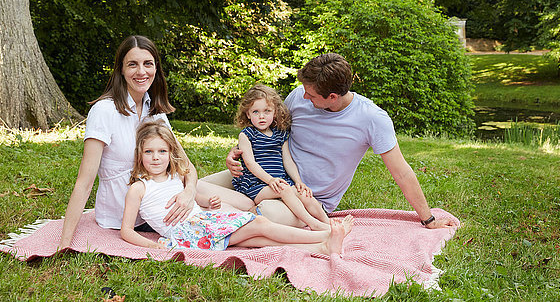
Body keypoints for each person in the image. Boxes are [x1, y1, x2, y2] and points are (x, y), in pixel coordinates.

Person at [217, 53, 455, 229]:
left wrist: (429, 219)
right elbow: (267, 131)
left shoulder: (372, 119)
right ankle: (219, 209)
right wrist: (236, 152)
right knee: (198, 186)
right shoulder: (299, 96)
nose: (304, 96)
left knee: (266, 213)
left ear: (331, 97)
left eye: (310, 94)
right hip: (262, 176)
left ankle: (226, 211)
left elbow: (401, 172)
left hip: (309, 200)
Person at [58, 35, 251, 250]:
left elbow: (186, 167)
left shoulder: (156, 114)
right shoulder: (104, 111)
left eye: (147, 64)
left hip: (167, 191)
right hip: (137, 213)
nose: (141, 72)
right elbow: (84, 183)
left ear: (156, 69)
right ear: (121, 69)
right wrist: (64, 243)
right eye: (133, 64)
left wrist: (188, 194)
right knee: (238, 220)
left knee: (246, 204)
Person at [121, 120, 354, 255]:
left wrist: (207, 203)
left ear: (171, 154)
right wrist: (154, 247)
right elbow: (127, 231)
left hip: (203, 221)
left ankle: (322, 247)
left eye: (162, 151)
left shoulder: (175, 178)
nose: (155, 157)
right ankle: (324, 233)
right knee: (259, 224)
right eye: (148, 152)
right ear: (139, 155)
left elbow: (195, 202)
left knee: (257, 239)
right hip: (187, 234)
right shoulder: (139, 188)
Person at [232, 84, 330, 231]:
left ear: (275, 112)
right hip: (257, 186)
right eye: (255, 112)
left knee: (303, 193)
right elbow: (250, 163)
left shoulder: (280, 134)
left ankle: (327, 222)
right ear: (248, 114)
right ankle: (312, 223)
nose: (261, 116)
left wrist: (298, 181)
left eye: (267, 111)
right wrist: (270, 180)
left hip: (279, 182)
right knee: (284, 189)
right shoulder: (246, 135)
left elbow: (288, 161)